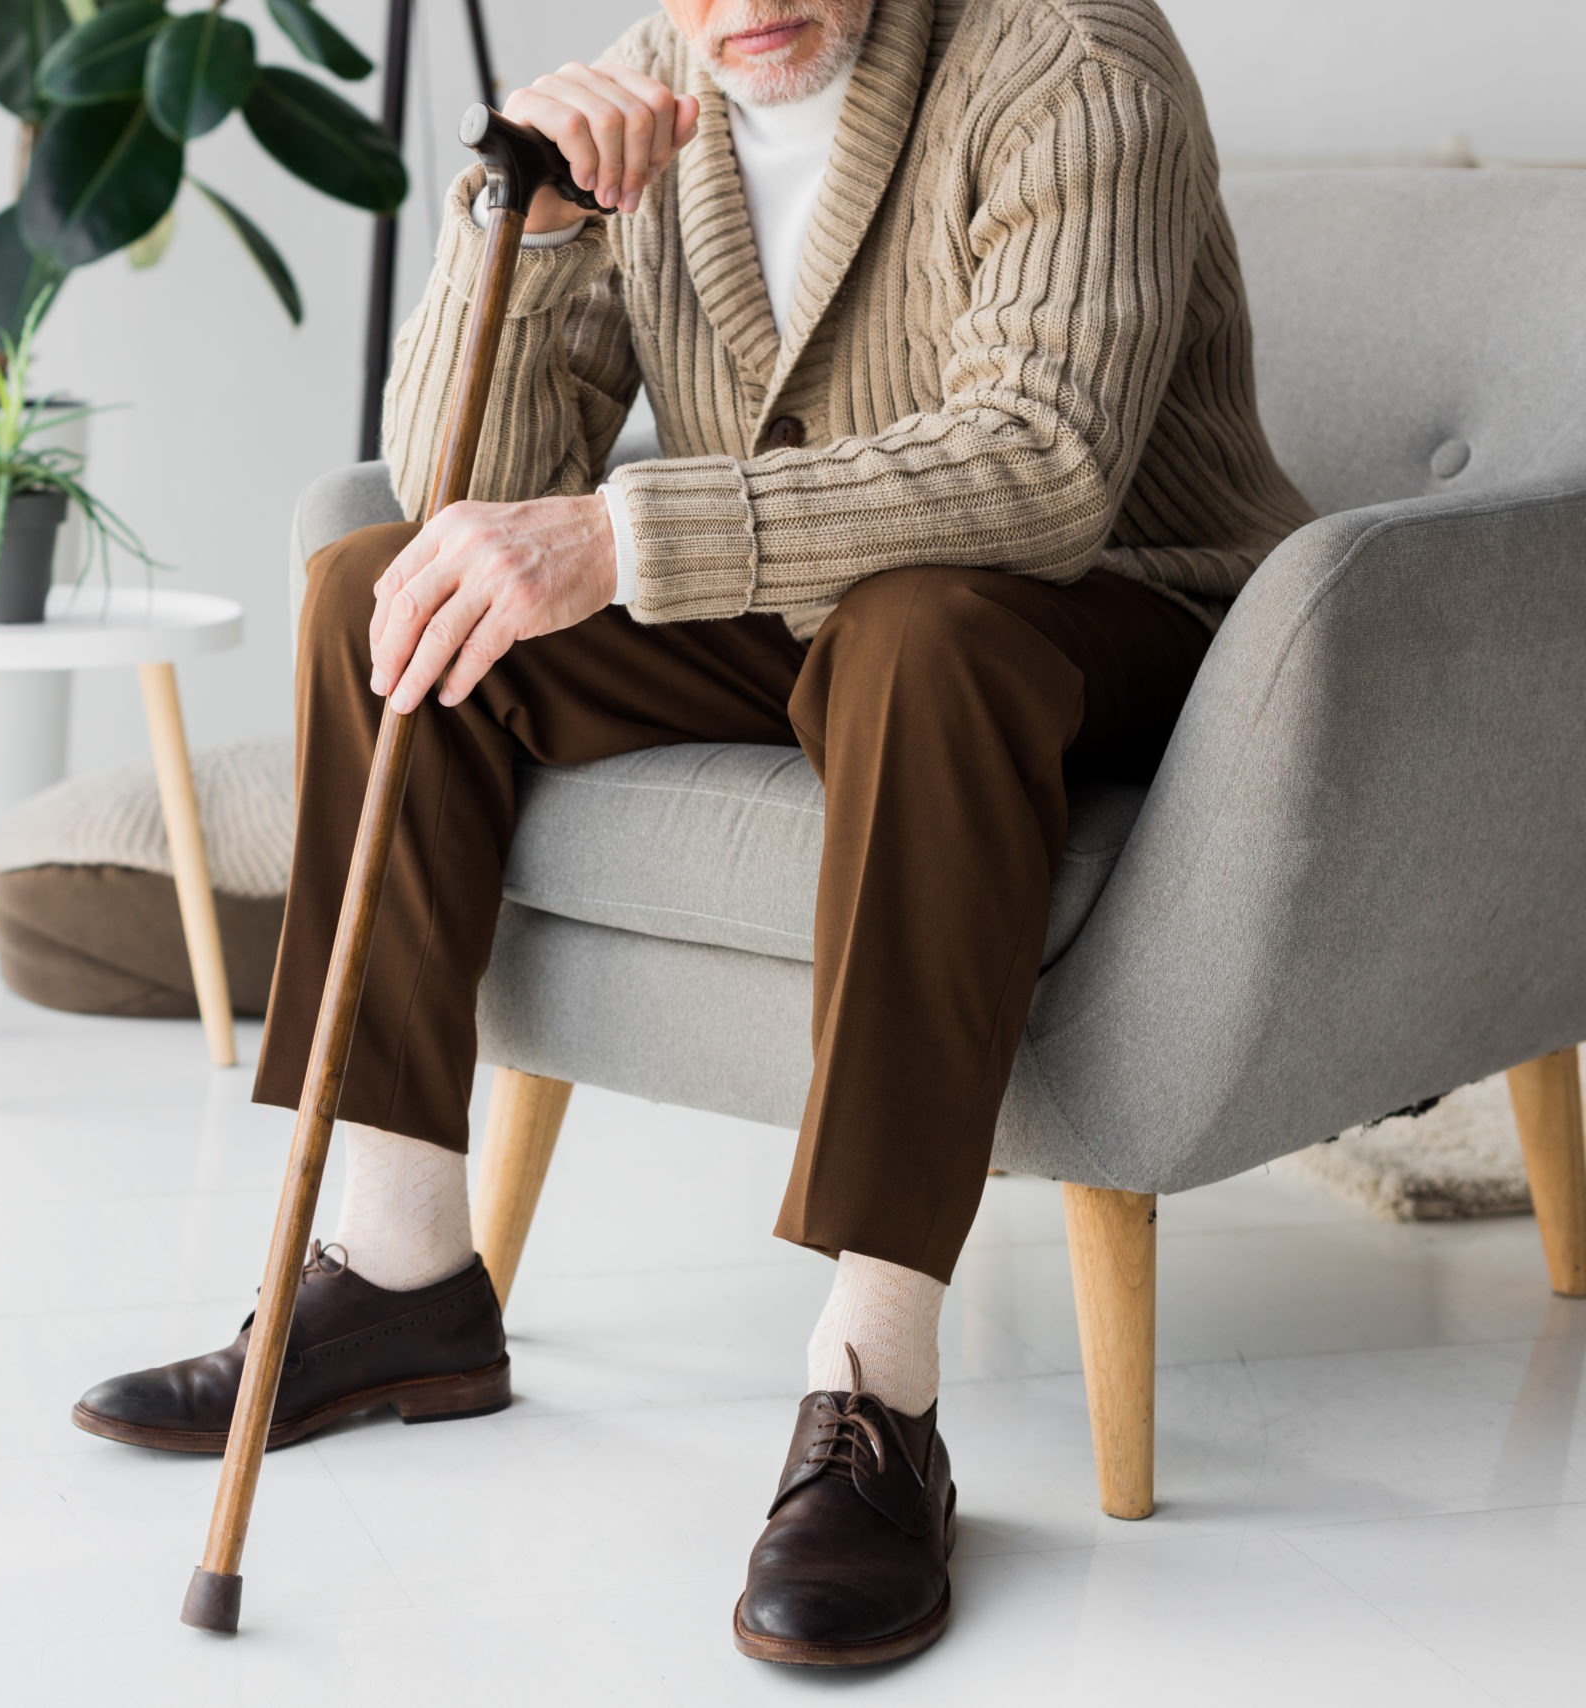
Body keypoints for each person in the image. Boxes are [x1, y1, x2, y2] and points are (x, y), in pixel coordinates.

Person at [74, 0, 1312, 1666]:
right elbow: (453, 482)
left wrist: (628, 533)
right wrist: (533, 223)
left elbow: (1042, 468)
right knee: (382, 588)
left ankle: (876, 1393)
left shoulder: (1070, 59)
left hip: (1125, 620)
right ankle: (398, 1276)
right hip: (810, 603)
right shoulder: (645, 94)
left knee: (923, 634)